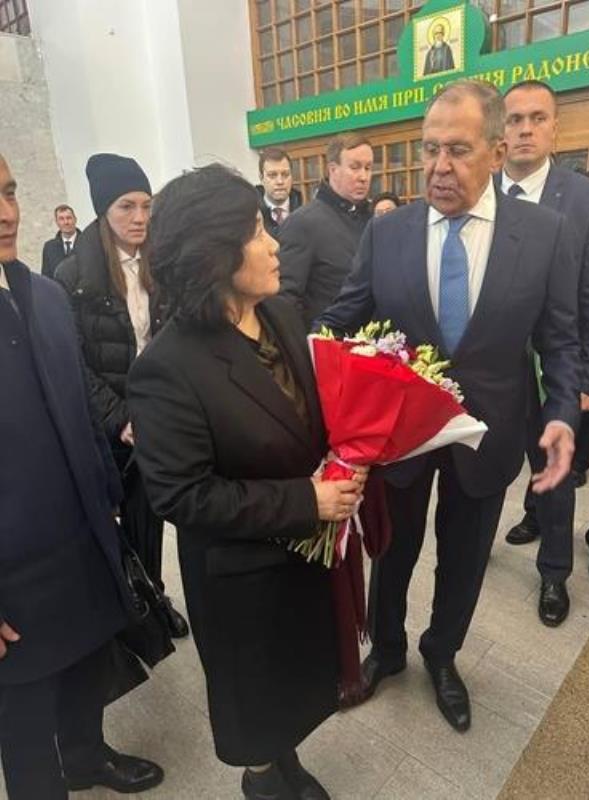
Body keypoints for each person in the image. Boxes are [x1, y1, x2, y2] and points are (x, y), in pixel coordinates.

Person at [317, 79, 580, 733]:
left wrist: (563, 413)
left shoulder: (545, 234)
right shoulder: (389, 234)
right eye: (429, 149)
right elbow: (339, 325)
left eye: (457, 150)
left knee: (463, 558)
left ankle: (442, 653)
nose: (438, 166)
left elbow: (561, 338)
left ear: (495, 151)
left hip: (488, 434)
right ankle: (389, 649)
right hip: (401, 438)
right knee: (394, 549)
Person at [128, 164, 365, 800]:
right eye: (256, 231)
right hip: (241, 577)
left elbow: (307, 416)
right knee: (256, 697)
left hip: (302, 557)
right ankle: (262, 777)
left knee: (295, 681)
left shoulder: (282, 313)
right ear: (214, 251)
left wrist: (355, 448)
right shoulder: (167, 368)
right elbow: (181, 495)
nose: (274, 245)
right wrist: (305, 499)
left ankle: (282, 757)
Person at [0, 153, 163, 798]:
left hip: (81, 537)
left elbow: (73, 408)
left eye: (10, 191)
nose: (7, 212)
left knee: (87, 670)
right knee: (25, 725)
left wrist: (108, 497)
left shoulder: (42, 295)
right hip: (12, 575)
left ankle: (88, 755)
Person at [55, 153, 188, 639]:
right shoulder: (73, 278)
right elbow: (74, 364)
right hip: (107, 426)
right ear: (102, 212)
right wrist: (120, 419)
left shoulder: (164, 266)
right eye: (126, 206)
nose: (139, 218)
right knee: (111, 523)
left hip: (155, 417)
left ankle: (152, 596)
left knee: (150, 519)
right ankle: (120, 603)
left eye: (146, 205)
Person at [500, 80, 589, 626]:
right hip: (492, 372)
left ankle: (555, 573)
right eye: (514, 119)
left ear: (555, 127)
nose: (525, 129)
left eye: (538, 118)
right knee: (488, 469)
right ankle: (528, 516)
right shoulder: (481, 190)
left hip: (558, 368)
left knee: (556, 471)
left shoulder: (585, 199)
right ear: (501, 129)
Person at [279, 132, 373, 330]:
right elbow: (285, 300)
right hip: (327, 348)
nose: (363, 177)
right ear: (333, 169)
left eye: (368, 168)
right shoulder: (303, 223)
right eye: (355, 167)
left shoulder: (374, 221)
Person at [256, 146, 302, 239]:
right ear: (261, 178)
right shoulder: (251, 218)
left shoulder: (305, 214)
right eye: (272, 175)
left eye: (285, 174)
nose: (280, 181)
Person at [41, 203, 80, 279]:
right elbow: (46, 278)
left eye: (69, 218)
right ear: (57, 222)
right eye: (61, 219)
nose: (66, 222)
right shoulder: (49, 247)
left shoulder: (86, 243)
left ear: (75, 220)